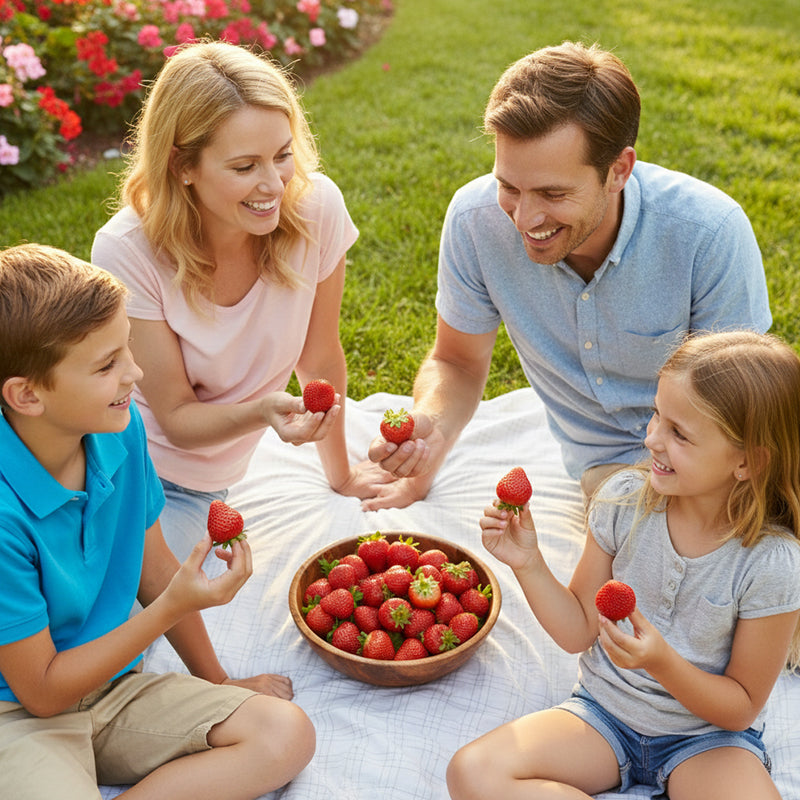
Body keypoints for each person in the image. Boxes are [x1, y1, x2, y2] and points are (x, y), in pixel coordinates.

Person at [365, 41, 771, 510]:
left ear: (618, 170)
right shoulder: (474, 222)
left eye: (553, 193)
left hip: (711, 463)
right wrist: (431, 427)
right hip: (607, 469)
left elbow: (746, 405)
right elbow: (457, 362)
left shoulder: (709, 233)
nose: (523, 219)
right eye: (509, 186)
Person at [0, 244, 315, 799]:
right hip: (18, 716)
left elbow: (154, 570)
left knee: (284, 733)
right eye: (107, 365)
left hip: (115, 689)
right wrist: (174, 606)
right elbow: (43, 693)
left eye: (126, 349)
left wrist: (216, 681)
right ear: (26, 395)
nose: (135, 373)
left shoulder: (119, 429)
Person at [447, 330, 800, 800]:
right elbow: (578, 632)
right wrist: (527, 562)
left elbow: (740, 706)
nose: (653, 438)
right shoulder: (623, 504)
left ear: (748, 462)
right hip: (603, 715)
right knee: (472, 772)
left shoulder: (771, 563)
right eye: (657, 414)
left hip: (709, 741)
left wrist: (661, 662)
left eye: (680, 433)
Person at [92, 40, 392, 559]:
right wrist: (262, 413)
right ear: (183, 165)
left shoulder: (316, 208)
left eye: (282, 155)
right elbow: (177, 419)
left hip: (209, 482)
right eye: (244, 166)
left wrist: (340, 475)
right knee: (102, 618)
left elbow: (319, 355)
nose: (273, 183)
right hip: (138, 472)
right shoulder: (127, 249)